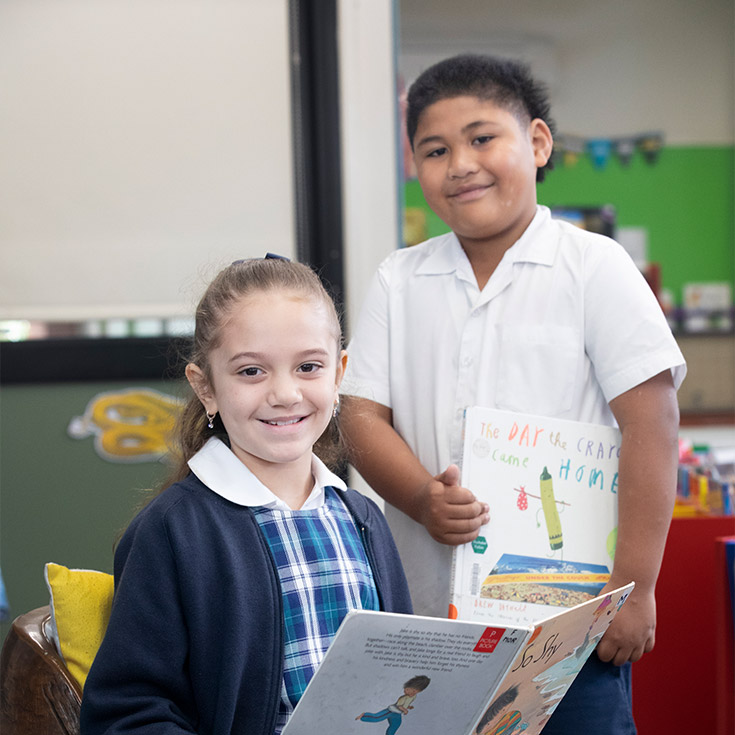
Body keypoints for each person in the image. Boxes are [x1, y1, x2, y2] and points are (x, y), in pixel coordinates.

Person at [340, 54, 685, 734]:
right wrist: (418, 496)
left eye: (480, 138)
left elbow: (650, 423)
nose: (459, 163)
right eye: (434, 150)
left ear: (535, 142)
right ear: (415, 168)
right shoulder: (398, 279)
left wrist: (637, 585)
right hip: (432, 619)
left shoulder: (593, 266)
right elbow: (359, 414)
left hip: (566, 625)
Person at [80, 256, 412, 735]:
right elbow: (128, 713)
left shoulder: (362, 518)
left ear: (339, 374)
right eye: (252, 371)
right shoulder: (172, 531)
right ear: (206, 387)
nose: (284, 393)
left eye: (308, 366)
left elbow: (398, 680)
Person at [356, 674, 431, 734]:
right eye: (406, 689)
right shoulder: (403, 698)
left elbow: (406, 704)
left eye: (413, 691)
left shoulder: (413, 697)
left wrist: (409, 707)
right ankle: (364, 715)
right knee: (377, 718)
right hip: (391, 711)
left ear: (418, 691)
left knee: (395, 725)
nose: (406, 691)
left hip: (397, 714)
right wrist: (405, 710)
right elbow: (399, 706)